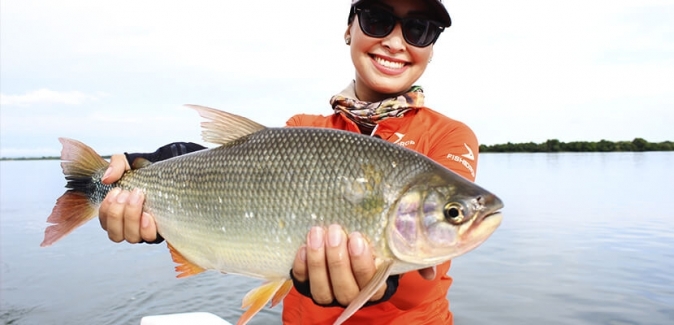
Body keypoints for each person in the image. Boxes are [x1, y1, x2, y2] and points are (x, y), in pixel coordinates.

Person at [98, 0, 480, 324]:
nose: (395, 42)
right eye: (378, 20)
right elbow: (240, 179)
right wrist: (163, 172)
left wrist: (387, 283)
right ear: (349, 29)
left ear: (432, 48)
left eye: (419, 29)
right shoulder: (302, 128)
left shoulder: (449, 137)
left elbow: (421, 285)